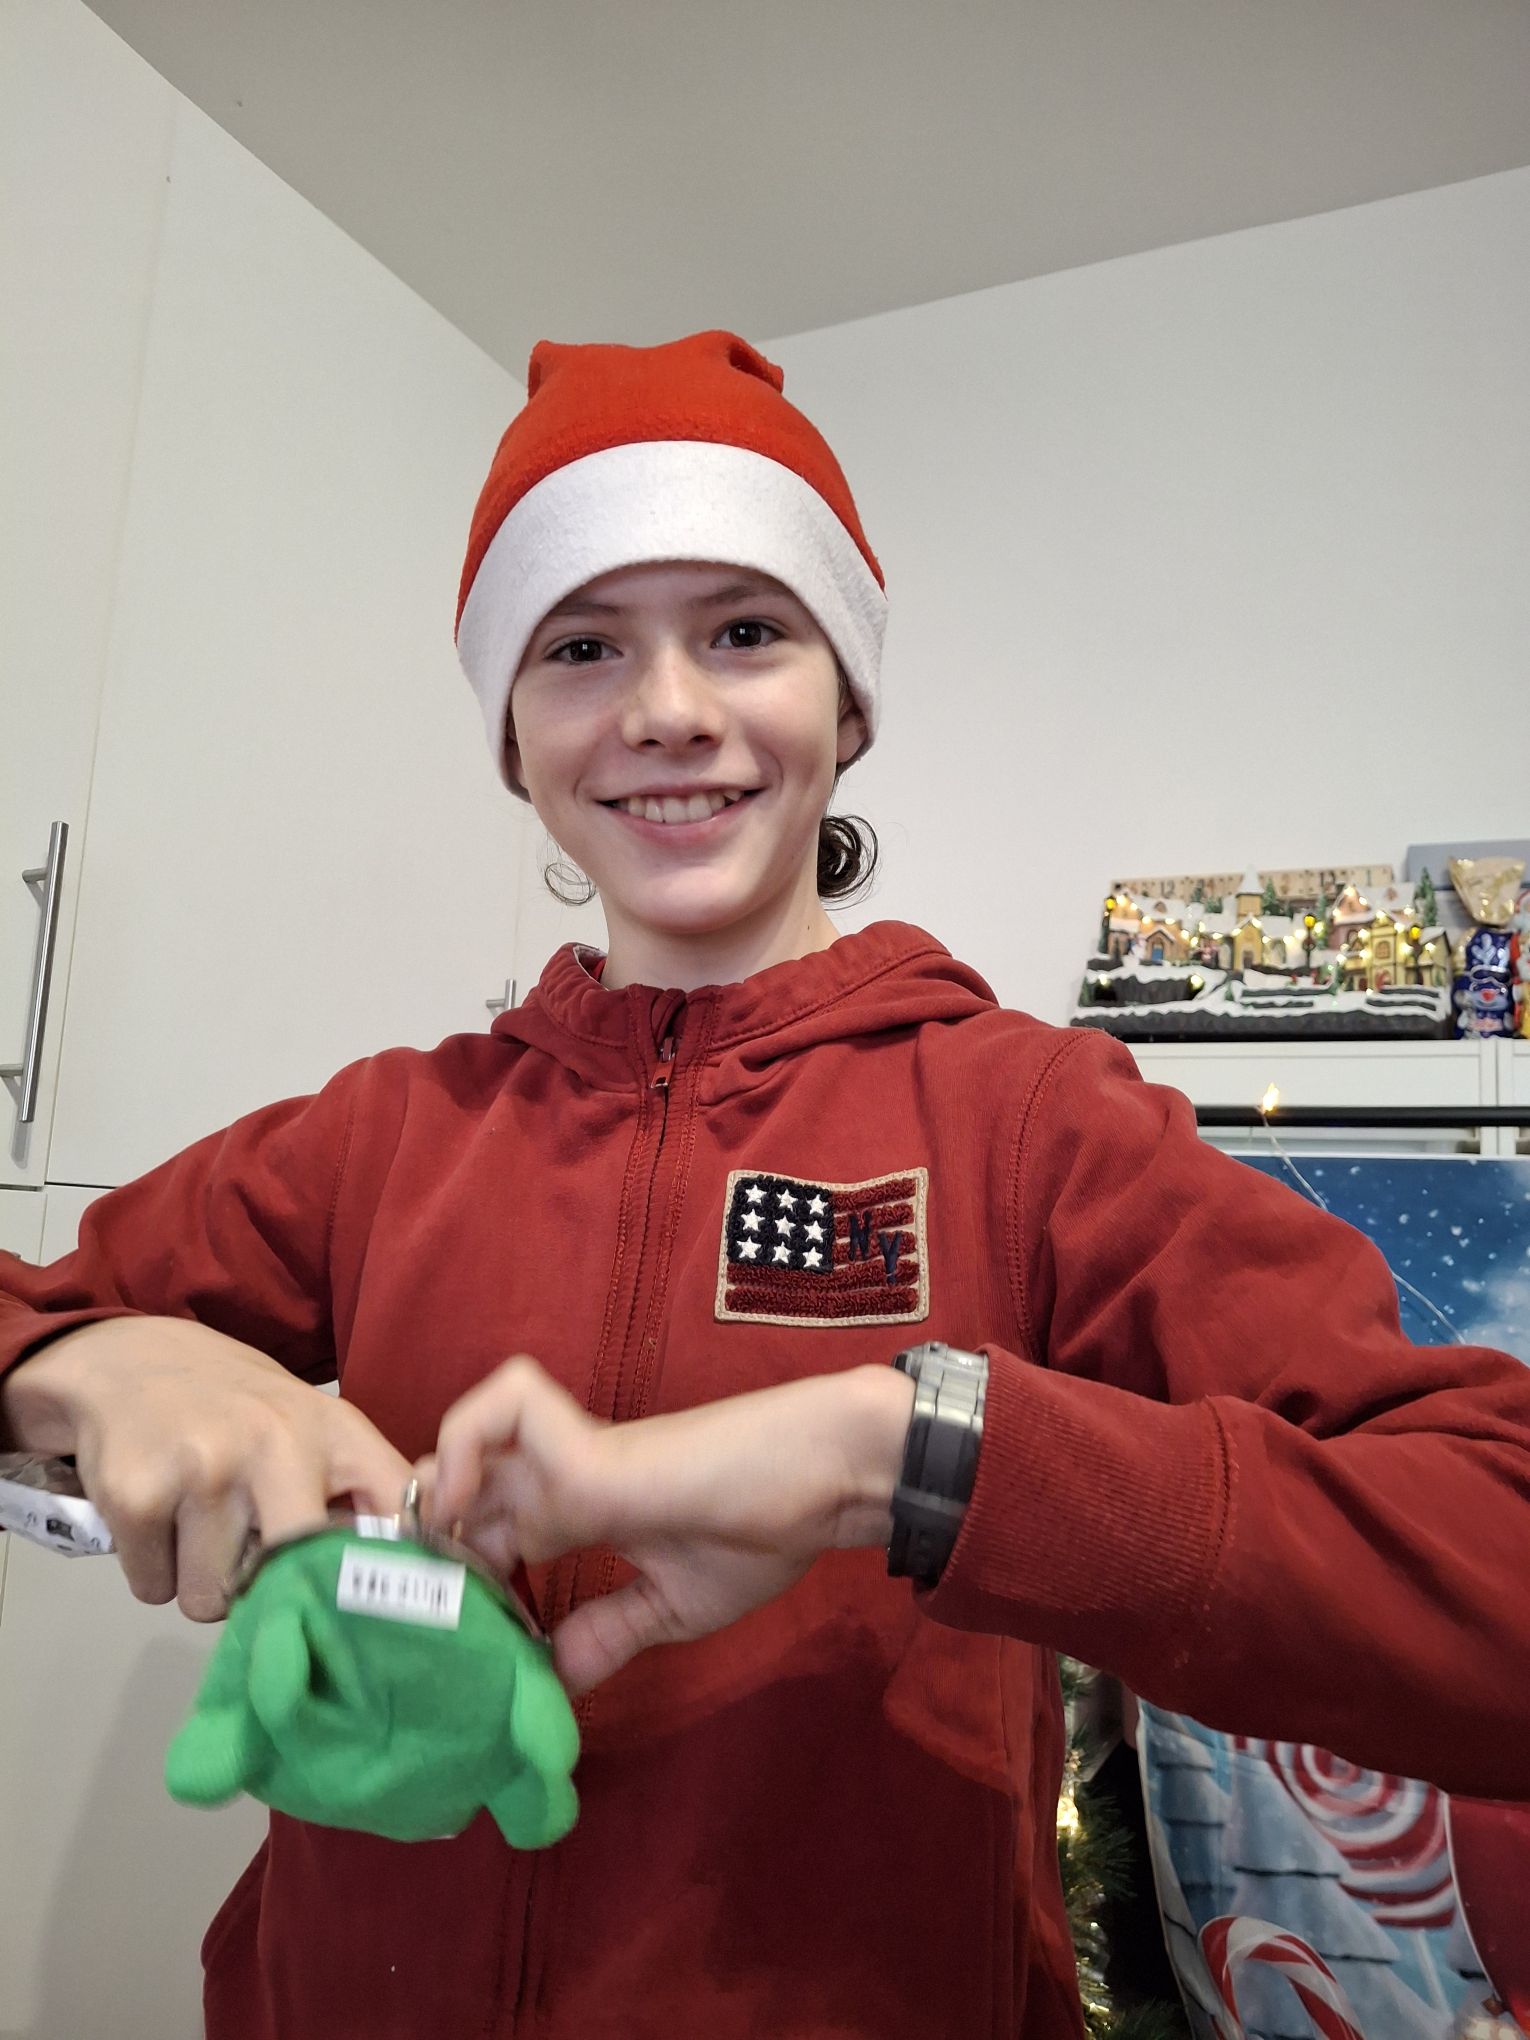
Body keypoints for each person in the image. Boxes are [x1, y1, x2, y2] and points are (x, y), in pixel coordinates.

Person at [3, 329, 1529, 2040]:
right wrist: (87, 1361)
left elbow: (1495, 1559)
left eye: (743, 629)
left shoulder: (1033, 1125)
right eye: (580, 644)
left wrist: (903, 1460)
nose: (666, 708)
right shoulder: (382, 1136)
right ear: (510, 732)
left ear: (847, 698)